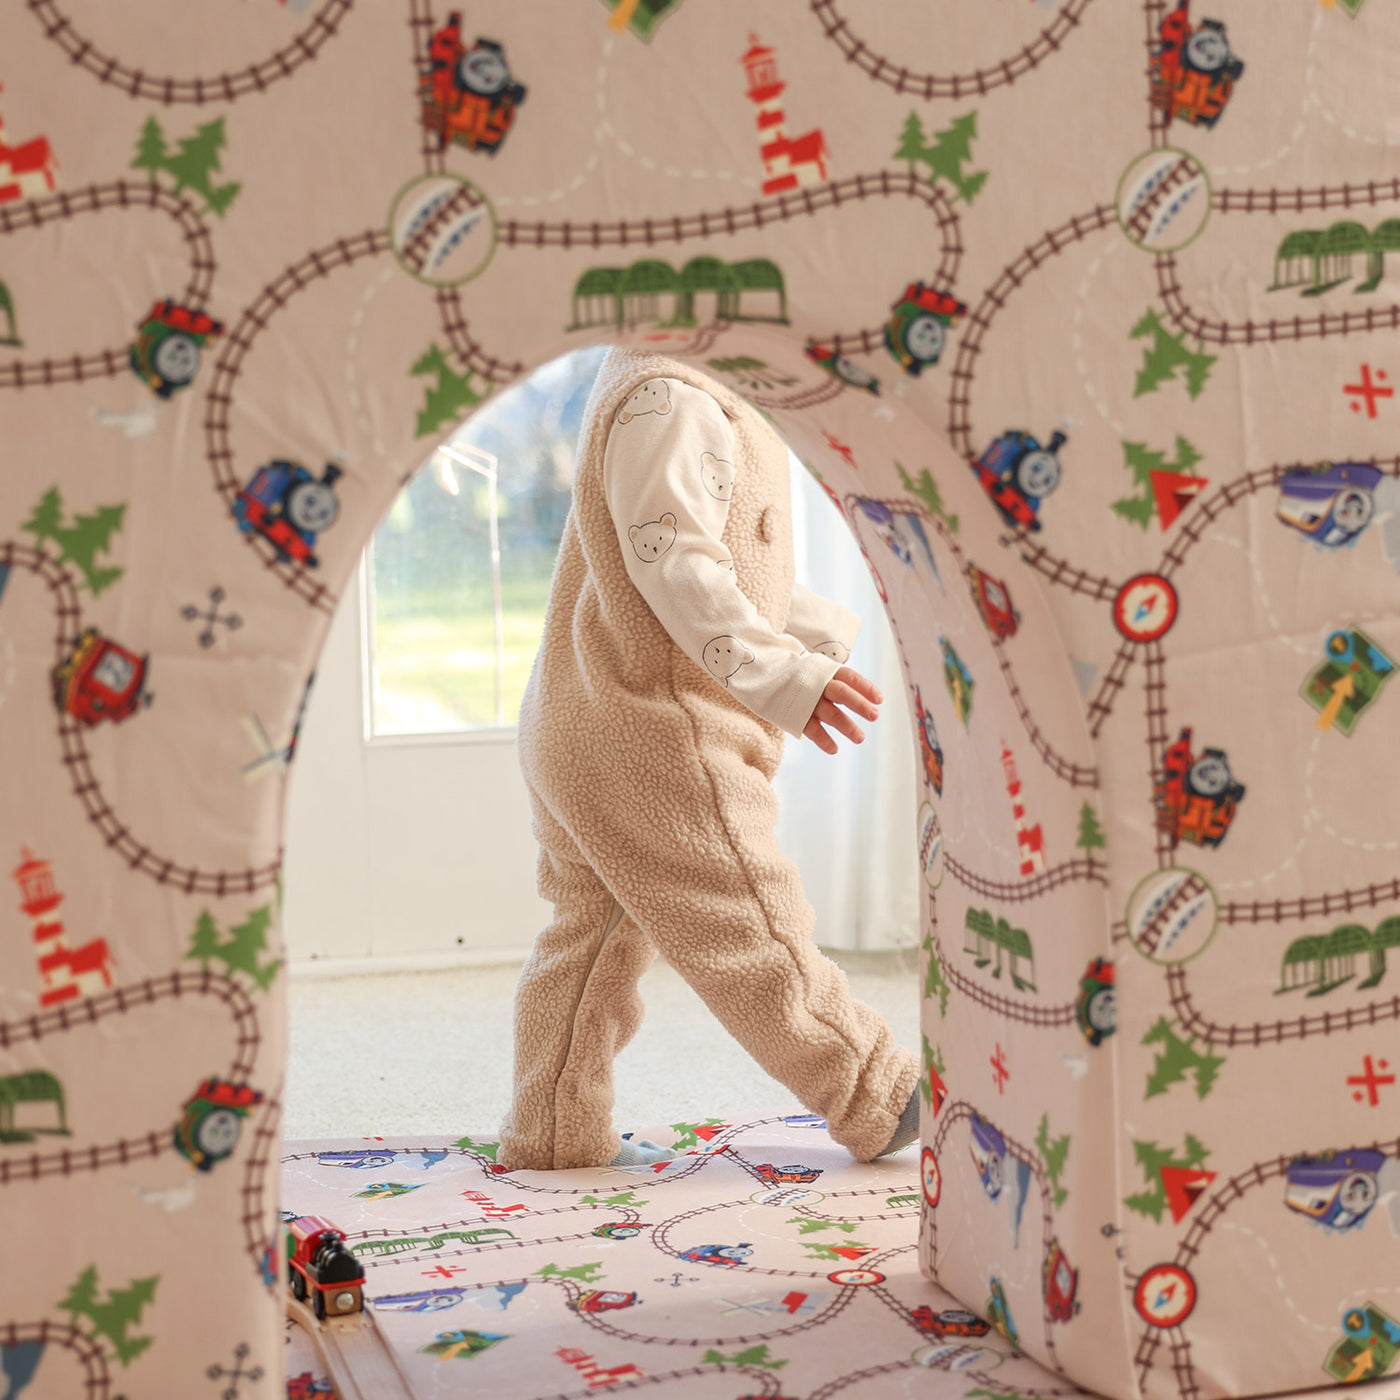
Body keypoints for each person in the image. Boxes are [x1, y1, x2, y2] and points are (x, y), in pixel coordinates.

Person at [496, 346, 921, 1170]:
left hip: (584, 718)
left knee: (591, 939)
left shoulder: (673, 384)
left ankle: (552, 1125)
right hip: (657, 731)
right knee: (755, 928)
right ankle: (875, 1089)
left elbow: (716, 564)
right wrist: (786, 674)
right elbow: (679, 568)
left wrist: (814, 634)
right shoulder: (672, 397)